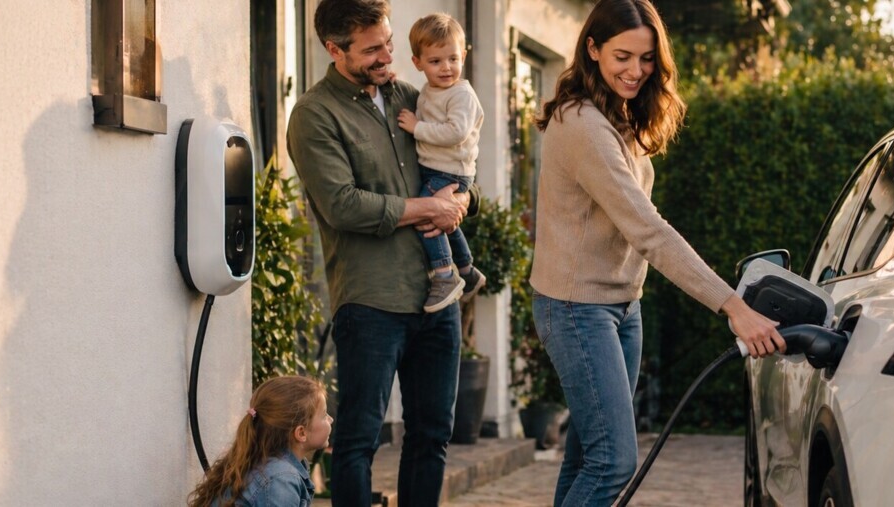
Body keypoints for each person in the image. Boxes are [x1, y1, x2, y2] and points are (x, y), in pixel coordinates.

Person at [529, 0, 788, 505]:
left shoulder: (616, 116)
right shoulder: (583, 124)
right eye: (623, 56)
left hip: (622, 307)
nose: (637, 71)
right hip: (577, 308)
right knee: (613, 461)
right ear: (593, 48)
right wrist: (733, 306)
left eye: (647, 59)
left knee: (588, 458)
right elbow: (648, 230)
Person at [286, 0, 477, 505]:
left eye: (388, 43)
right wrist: (426, 208)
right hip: (371, 300)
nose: (387, 55)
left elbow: (455, 167)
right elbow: (342, 205)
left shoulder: (410, 97)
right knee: (357, 440)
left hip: (437, 298)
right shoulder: (313, 115)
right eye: (372, 49)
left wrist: (461, 199)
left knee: (432, 435)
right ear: (334, 49)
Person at [395, 12, 487, 313]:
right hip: (437, 168)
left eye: (453, 59)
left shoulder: (461, 95)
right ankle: (468, 271)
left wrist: (416, 128)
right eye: (435, 62)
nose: (446, 68)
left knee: (426, 216)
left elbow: (455, 132)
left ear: (464, 54)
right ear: (418, 63)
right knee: (446, 222)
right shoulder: (430, 90)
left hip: (451, 172)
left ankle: (445, 274)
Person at [187, 376, 332, 507]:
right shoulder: (281, 479)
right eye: (324, 415)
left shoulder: (264, 464)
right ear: (301, 433)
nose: (331, 419)